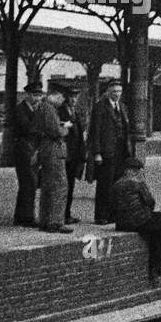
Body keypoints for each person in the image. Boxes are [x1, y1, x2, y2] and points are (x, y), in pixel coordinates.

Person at [113, 157, 161, 283]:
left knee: (156, 232)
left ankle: (156, 268)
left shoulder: (116, 184)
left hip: (121, 223)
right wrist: (144, 184)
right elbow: (150, 202)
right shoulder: (138, 183)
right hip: (138, 221)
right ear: (133, 170)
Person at [89, 79, 134, 225]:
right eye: (114, 91)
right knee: (104, 184)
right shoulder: (100, 107)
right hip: (106, 152)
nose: (117, 94)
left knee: (117, 184)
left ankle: (113, 214)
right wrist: (97, 152)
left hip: (121, 152)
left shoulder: (123, 107)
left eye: (119, 92)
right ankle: (101, 215)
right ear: (108, 92)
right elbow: (95, 131)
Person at [34, 84, 73, 233]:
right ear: (56, 95)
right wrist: (65, 128)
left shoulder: (42, 107)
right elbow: (55, 131)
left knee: (47, 186)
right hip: (54, 151)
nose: (62, 102)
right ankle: (56, 222)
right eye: (62, 98)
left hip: (46, 150)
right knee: (59, 186)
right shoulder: (49, 109)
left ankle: (45, 220)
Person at [12, 81, 43, 227]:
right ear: (28, 95)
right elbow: (28, 128)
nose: (37, 98)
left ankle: (23, 216)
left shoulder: (34, 110)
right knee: (28, 182)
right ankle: (26, 217)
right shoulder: (20, 110)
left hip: (32, 148)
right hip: (24, 149)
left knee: (30, 183)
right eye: (35, 95)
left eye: (39, 95)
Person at [61, 87, 87, 223]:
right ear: (66, 97)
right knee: (64, 186)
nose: (74, 99)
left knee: (70, 185)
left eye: (76, 97)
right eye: (71, 96)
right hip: (66, 155)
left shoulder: (75, 112)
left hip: (74, 155)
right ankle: (62, 214)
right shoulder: (61, 111)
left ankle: (67, 213)